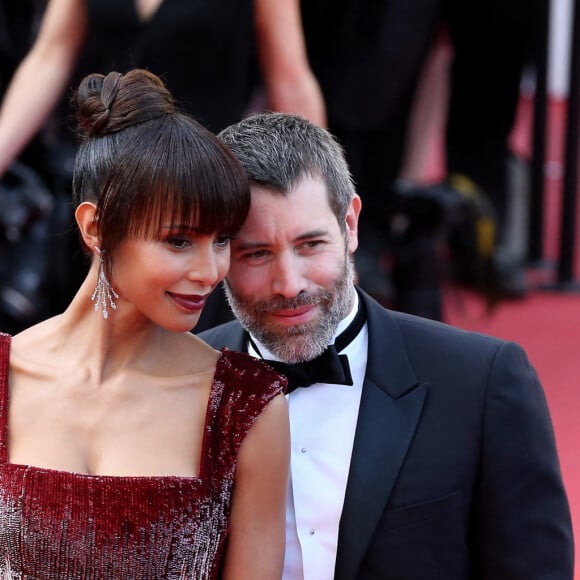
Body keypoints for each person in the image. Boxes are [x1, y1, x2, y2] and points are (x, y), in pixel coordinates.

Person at [199, 112, 574, 579]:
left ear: (351, 225)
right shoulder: (182, 382)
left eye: (311, 244)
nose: (289, 283)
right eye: (256, 254)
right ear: (216, 251)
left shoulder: (480, 383)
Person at [0, 70, 290, 579]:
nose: (210, 272)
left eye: (221, 240)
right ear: (96, 226)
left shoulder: (246, 407)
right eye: (179, 241)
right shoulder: (5, 376)